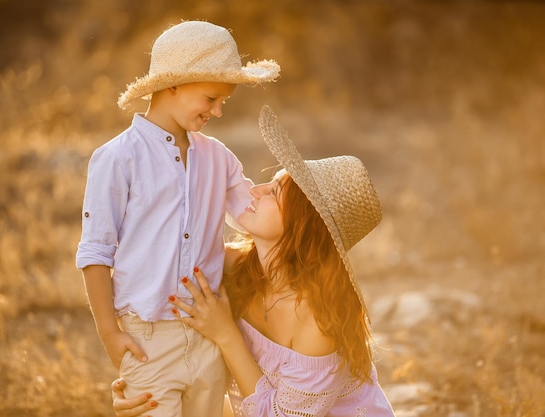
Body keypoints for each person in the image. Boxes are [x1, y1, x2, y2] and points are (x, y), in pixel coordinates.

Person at [111, 106, 396, 417]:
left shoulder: (317, 322)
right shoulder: (233, 267)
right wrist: (145, 389)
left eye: (274, 192)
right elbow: (152, 267)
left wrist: (226, 334)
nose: (256, 191)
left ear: (302, 226)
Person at [75, 21, 280, 417]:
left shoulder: (218, 157)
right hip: (147, 337)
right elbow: (96, 252)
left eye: (225, 101)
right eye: (211, 97)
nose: (218, 111)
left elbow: (253, 217)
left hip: (209, 335)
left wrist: (304, 208)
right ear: (173, 85)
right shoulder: (118, 159)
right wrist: (109, 333)